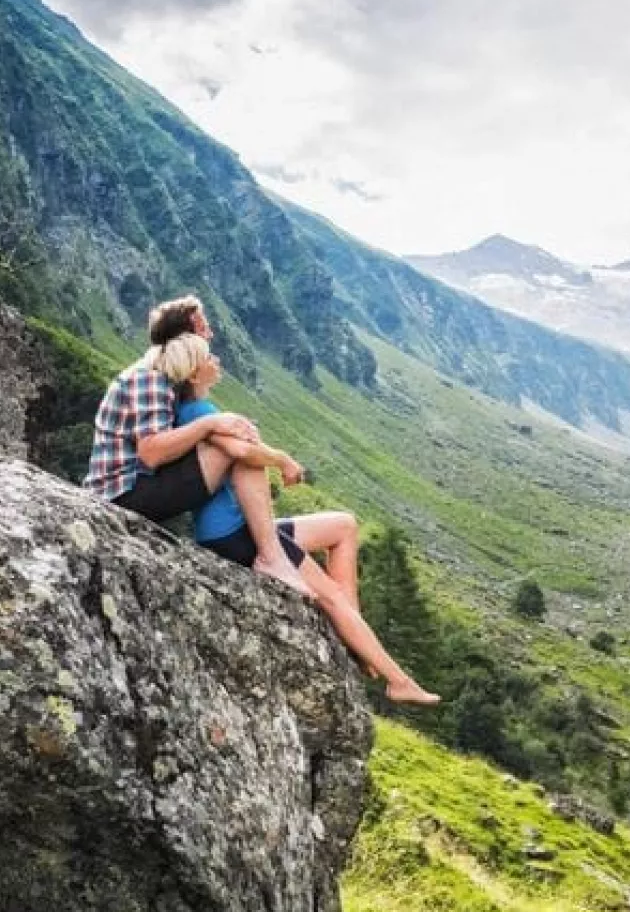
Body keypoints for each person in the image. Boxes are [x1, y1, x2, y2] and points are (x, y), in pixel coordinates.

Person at [157, 332, 440, 707]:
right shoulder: (200, 413)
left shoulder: (196, 409)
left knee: (343, 525)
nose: (218, 361)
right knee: (332, 597)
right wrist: (281, 459)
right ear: (194, 374)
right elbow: (242, 453)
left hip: (241, 526)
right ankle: (397, 680)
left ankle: (352, 626)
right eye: (209, 357)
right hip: (234, 535)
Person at [82, 296, 311, 596]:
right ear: (186, 338)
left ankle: (267, 550)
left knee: (232, 445)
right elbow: (150, 452)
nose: (211, 335)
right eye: (204, 327)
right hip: (122, 494)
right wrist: (212, 424)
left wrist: (205, 397)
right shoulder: (150, 378)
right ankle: (270, 556)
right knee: (232, 450)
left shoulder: (165, 378)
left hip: (135, 487)